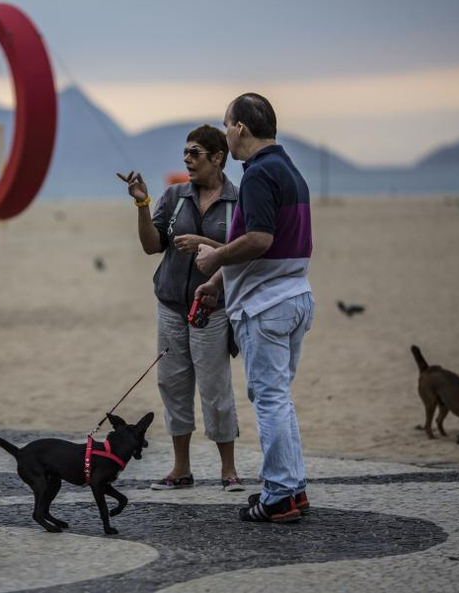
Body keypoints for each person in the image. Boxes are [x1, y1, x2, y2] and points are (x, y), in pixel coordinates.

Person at [195, 93, 314, 522]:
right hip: (294, 296)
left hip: (268, 308)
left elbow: (260, 240)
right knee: (280, 398)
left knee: (269, 400)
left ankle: (280, 495)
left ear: (240, 129)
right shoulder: (289, 168)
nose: (226, 131)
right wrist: (217, 283)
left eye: (227, 124)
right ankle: (294, 488)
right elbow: (272, 247)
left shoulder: (259, 175)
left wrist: (214, 257)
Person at [117, 124, 243, 492]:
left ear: (218, 157)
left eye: (195, 153)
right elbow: (151, 245)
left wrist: (204, 241)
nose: (187, 160)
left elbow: (242, 250)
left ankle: (228, 470)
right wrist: (141, 202)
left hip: (213, 308)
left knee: (216, 389)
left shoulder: (239, 201)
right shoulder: (174, 197)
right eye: (185, 153)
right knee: (172, 385)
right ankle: (181, 469)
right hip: (171, 306)